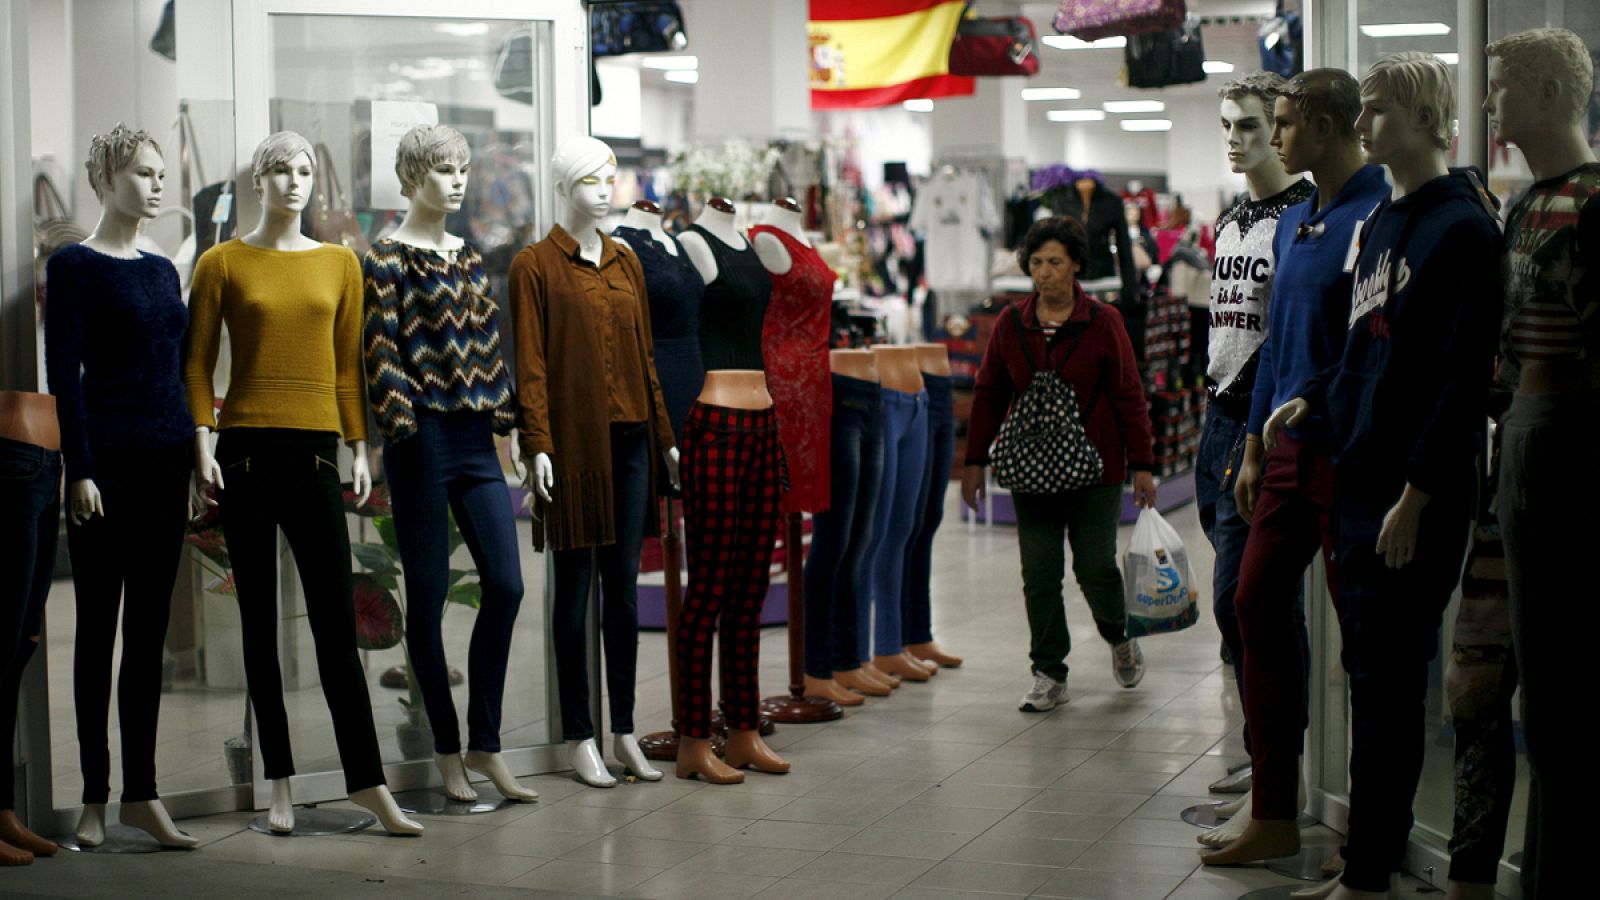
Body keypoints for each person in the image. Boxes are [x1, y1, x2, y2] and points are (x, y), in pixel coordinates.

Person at [1262, 52, 1503, 899]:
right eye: (1361, 111)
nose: (1363, 129)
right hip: (1360, 480)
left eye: (1377, 112)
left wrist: (1420, 492)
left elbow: (1462, 379)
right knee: (1369, 681)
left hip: (1411, 499)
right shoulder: (1389, 222)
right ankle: (1368, 861)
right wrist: (1315, 401)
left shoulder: (1463, 229)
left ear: (1423, 115)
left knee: (1392, 689)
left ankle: (1370, 871)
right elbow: (1368, 347)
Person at [187, 131, 421, 836]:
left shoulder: (340, 264)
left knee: (332, 624)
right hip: (248, 452)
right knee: (259, 623)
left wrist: (358, 444)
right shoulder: (221, 263)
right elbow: (197, 364)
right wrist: (203, 439)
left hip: (319, 451)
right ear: (258, 180)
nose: (295, 181)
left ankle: (368, 783)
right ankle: (279, 781)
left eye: (305, 170)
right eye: (281, 170)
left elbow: (348, 367)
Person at [1200, 68, 1390, 868]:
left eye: (1280, 123)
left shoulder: (1377, 213)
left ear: (1319, 125)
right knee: (1250, 604)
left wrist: (1314, 403)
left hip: (1347, 453)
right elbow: (1276, 339)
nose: (1270, 139)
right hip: (1276, 451)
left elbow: (1372, 343)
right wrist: (1249, 443)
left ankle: (1368, 847)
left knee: (1367, 648)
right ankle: (1273, 805)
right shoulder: (1299, 219)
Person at [362, 124, 535, 803]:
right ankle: (446, 751)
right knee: (427, 600)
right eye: (442, 170)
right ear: (411, 178)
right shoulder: (385, 258)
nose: (457, 180)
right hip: (422, 439)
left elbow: (487, 345)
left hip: (472, 439)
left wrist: (507, 424)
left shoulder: (466, 255)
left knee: (509, 584)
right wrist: (405, 427)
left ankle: (485, 743)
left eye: (462, 168)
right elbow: (380, 352)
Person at [46, 124, 198, 849]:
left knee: (146, 635)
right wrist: (79, 468)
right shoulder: (74, 266)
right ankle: (94, 796)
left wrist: (197, 452)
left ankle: (142, 790)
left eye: (160, 172)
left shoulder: (164, 269)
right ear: (106, 179)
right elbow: (64, 376)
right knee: (98, 630)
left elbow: (177, 369)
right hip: (106, 465)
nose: (157, 184)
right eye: (142, 172)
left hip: (167, 462)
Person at [1482, 26, 1599, 899]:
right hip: (1525, 432)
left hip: (1575, 441)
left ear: (1552, 93)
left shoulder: (1593, 206)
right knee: (1543, 688)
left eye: (1503, 87)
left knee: (1573, 679)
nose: (1490, 104)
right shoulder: (1522, 205)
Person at [961, 216, 1157, 713]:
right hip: (1033, 470)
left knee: (1095, 567)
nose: (1044, 272)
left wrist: (1143, 464)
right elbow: (988, 393)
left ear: (1075, 266)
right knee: (1040, 572)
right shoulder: (1012, 324)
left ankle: (1120, 636)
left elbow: (1129, 395)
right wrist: (973, 461)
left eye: (1054, 262)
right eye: (1036, 262)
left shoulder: (1103, 322)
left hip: (1098, 466)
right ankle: (1049, 670)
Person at [1193, 72, 1316, 850]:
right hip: (1217, 414)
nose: (1235, 138)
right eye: (1228, 126)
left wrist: (1254, 438)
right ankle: (1257, 752)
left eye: (1248, 126)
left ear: (1281, 129)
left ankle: (1280, 768)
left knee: (1251, 599)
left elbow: (1284, 332)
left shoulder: (1304, 218)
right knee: (1231, 605)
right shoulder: (1233, 218)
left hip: (1260, 423)